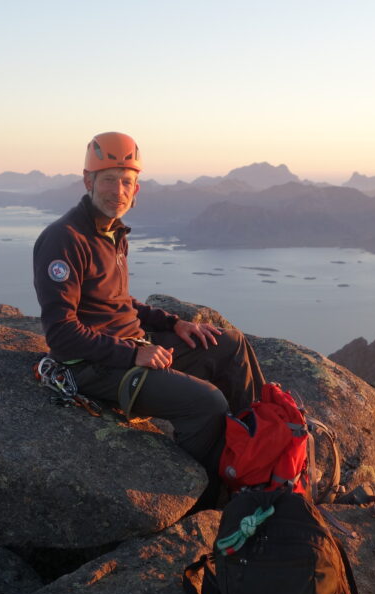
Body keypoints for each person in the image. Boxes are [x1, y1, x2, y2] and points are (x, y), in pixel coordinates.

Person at [33, 131, 266, 502]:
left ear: (136, 190)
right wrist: (133, 355)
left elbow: (120, 302)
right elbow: (61, 335)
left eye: (127, 182)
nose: (118, 190)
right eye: (109, 179)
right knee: (206, 403)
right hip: (93, 366)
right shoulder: (65, 239)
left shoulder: (112, 232)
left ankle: (256, 459)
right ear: (88, 181)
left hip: (131, 349)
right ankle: (209, 504)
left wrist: (175, 324)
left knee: (230, 346)